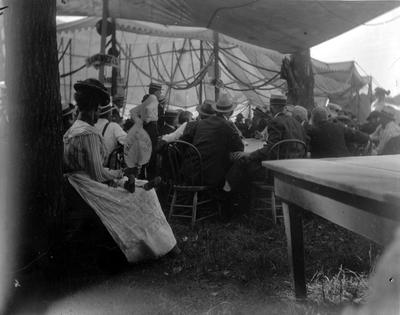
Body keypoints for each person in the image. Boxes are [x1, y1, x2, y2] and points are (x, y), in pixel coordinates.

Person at [63, 78, 178, 264]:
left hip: (76, 181)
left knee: (138, 186)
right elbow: (98, 174)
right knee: (145, 195)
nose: (98, 114)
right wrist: (120, 174)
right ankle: (158, 246)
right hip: (88, 186)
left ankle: (159, 243)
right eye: (98, 110)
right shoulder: (89, 134)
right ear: (95, 109)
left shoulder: (72, 130)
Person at [225, 95, 307, 192]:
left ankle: (230, 195)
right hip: (293, 172)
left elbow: (270, 149)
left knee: (242, 162)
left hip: (274, 173)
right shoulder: (297, 124)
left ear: (272, 107)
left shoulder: (276, 122)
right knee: (246, 163)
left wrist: (249, 154)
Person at [181, 94, 244, 189]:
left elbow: (184, 142)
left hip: (190, 171)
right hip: (210, 175)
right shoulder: (228, 125)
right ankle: (229, 195)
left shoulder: (200, 124)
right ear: (231, 112)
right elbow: (240, 148)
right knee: (239, 163)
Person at [130, 83, 163, 178]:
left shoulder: (145, 100)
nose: (160, 94)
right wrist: (147, 120)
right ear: (156, 92)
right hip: (150, 130)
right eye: (160, 92)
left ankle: (140, 178)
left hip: (142, 130)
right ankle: (149, 181)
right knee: (151, 158)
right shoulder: (153, 100)